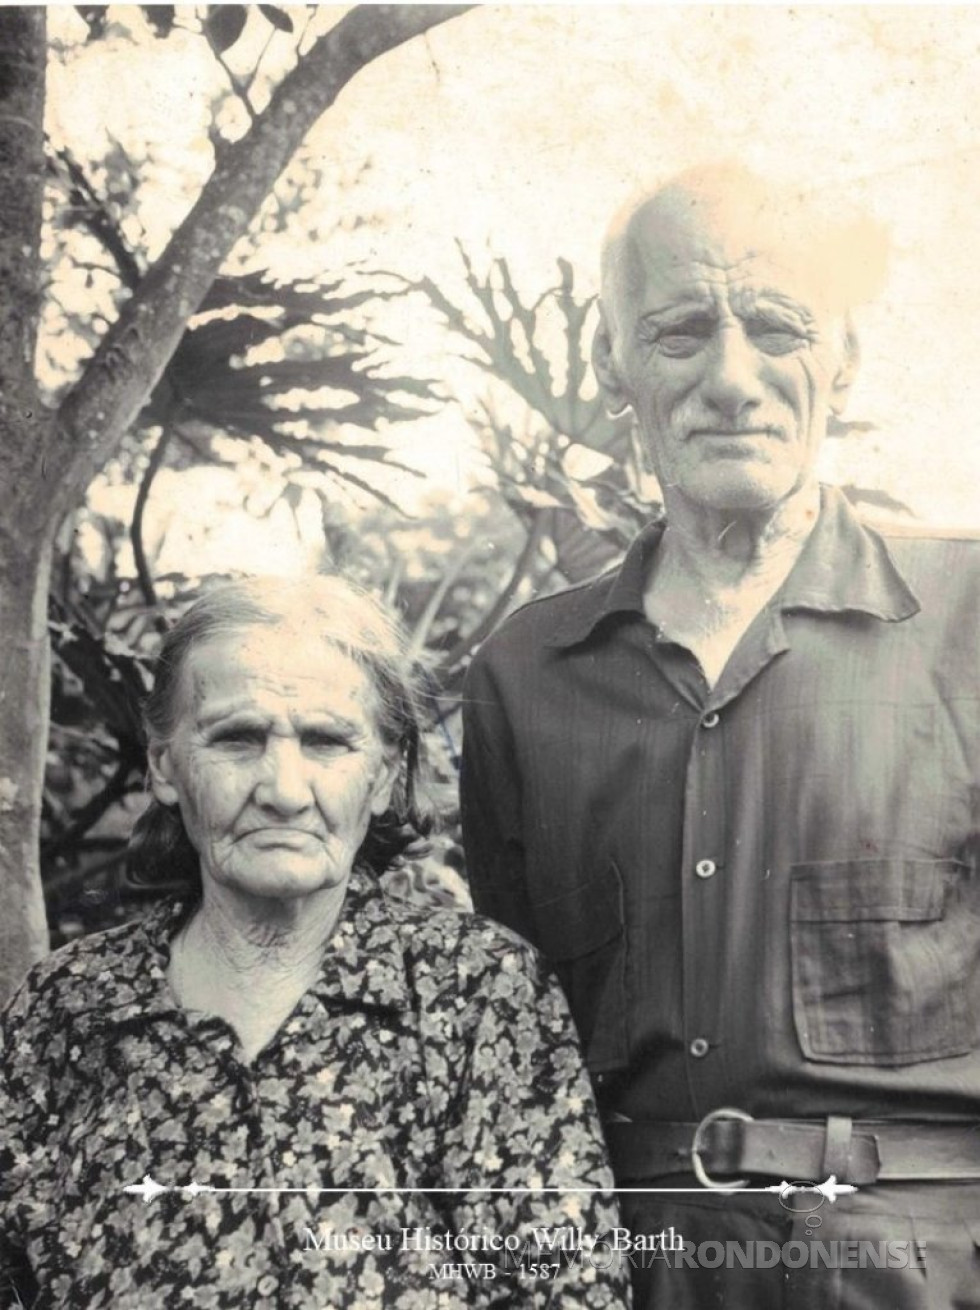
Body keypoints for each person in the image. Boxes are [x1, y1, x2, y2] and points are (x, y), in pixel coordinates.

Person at [461, 164, 980, 1308]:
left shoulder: (969, 620)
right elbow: (512, 1045)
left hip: (916, 1266)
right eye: (680, 328)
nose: (730, 377)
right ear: (615, 367)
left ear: (841, 358)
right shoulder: (520, 678)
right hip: (624, 1273)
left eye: (777, 327)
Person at [0, 574, 628, 1309]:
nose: (284, 790)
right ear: (165, 766)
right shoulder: (71, 1006)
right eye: (238, 738)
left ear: (386, 776)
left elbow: (565, 1290)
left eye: (326, 741)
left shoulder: (475, 991)